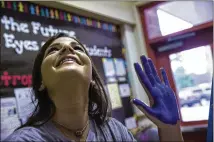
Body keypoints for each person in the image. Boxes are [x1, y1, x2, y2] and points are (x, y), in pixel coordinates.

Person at [4, 33, 183, 141]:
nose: (68, 49)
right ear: (41, 82)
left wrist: (170, 129)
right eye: (53, 50)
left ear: (91, 78)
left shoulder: (114, 131)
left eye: (77, 48)